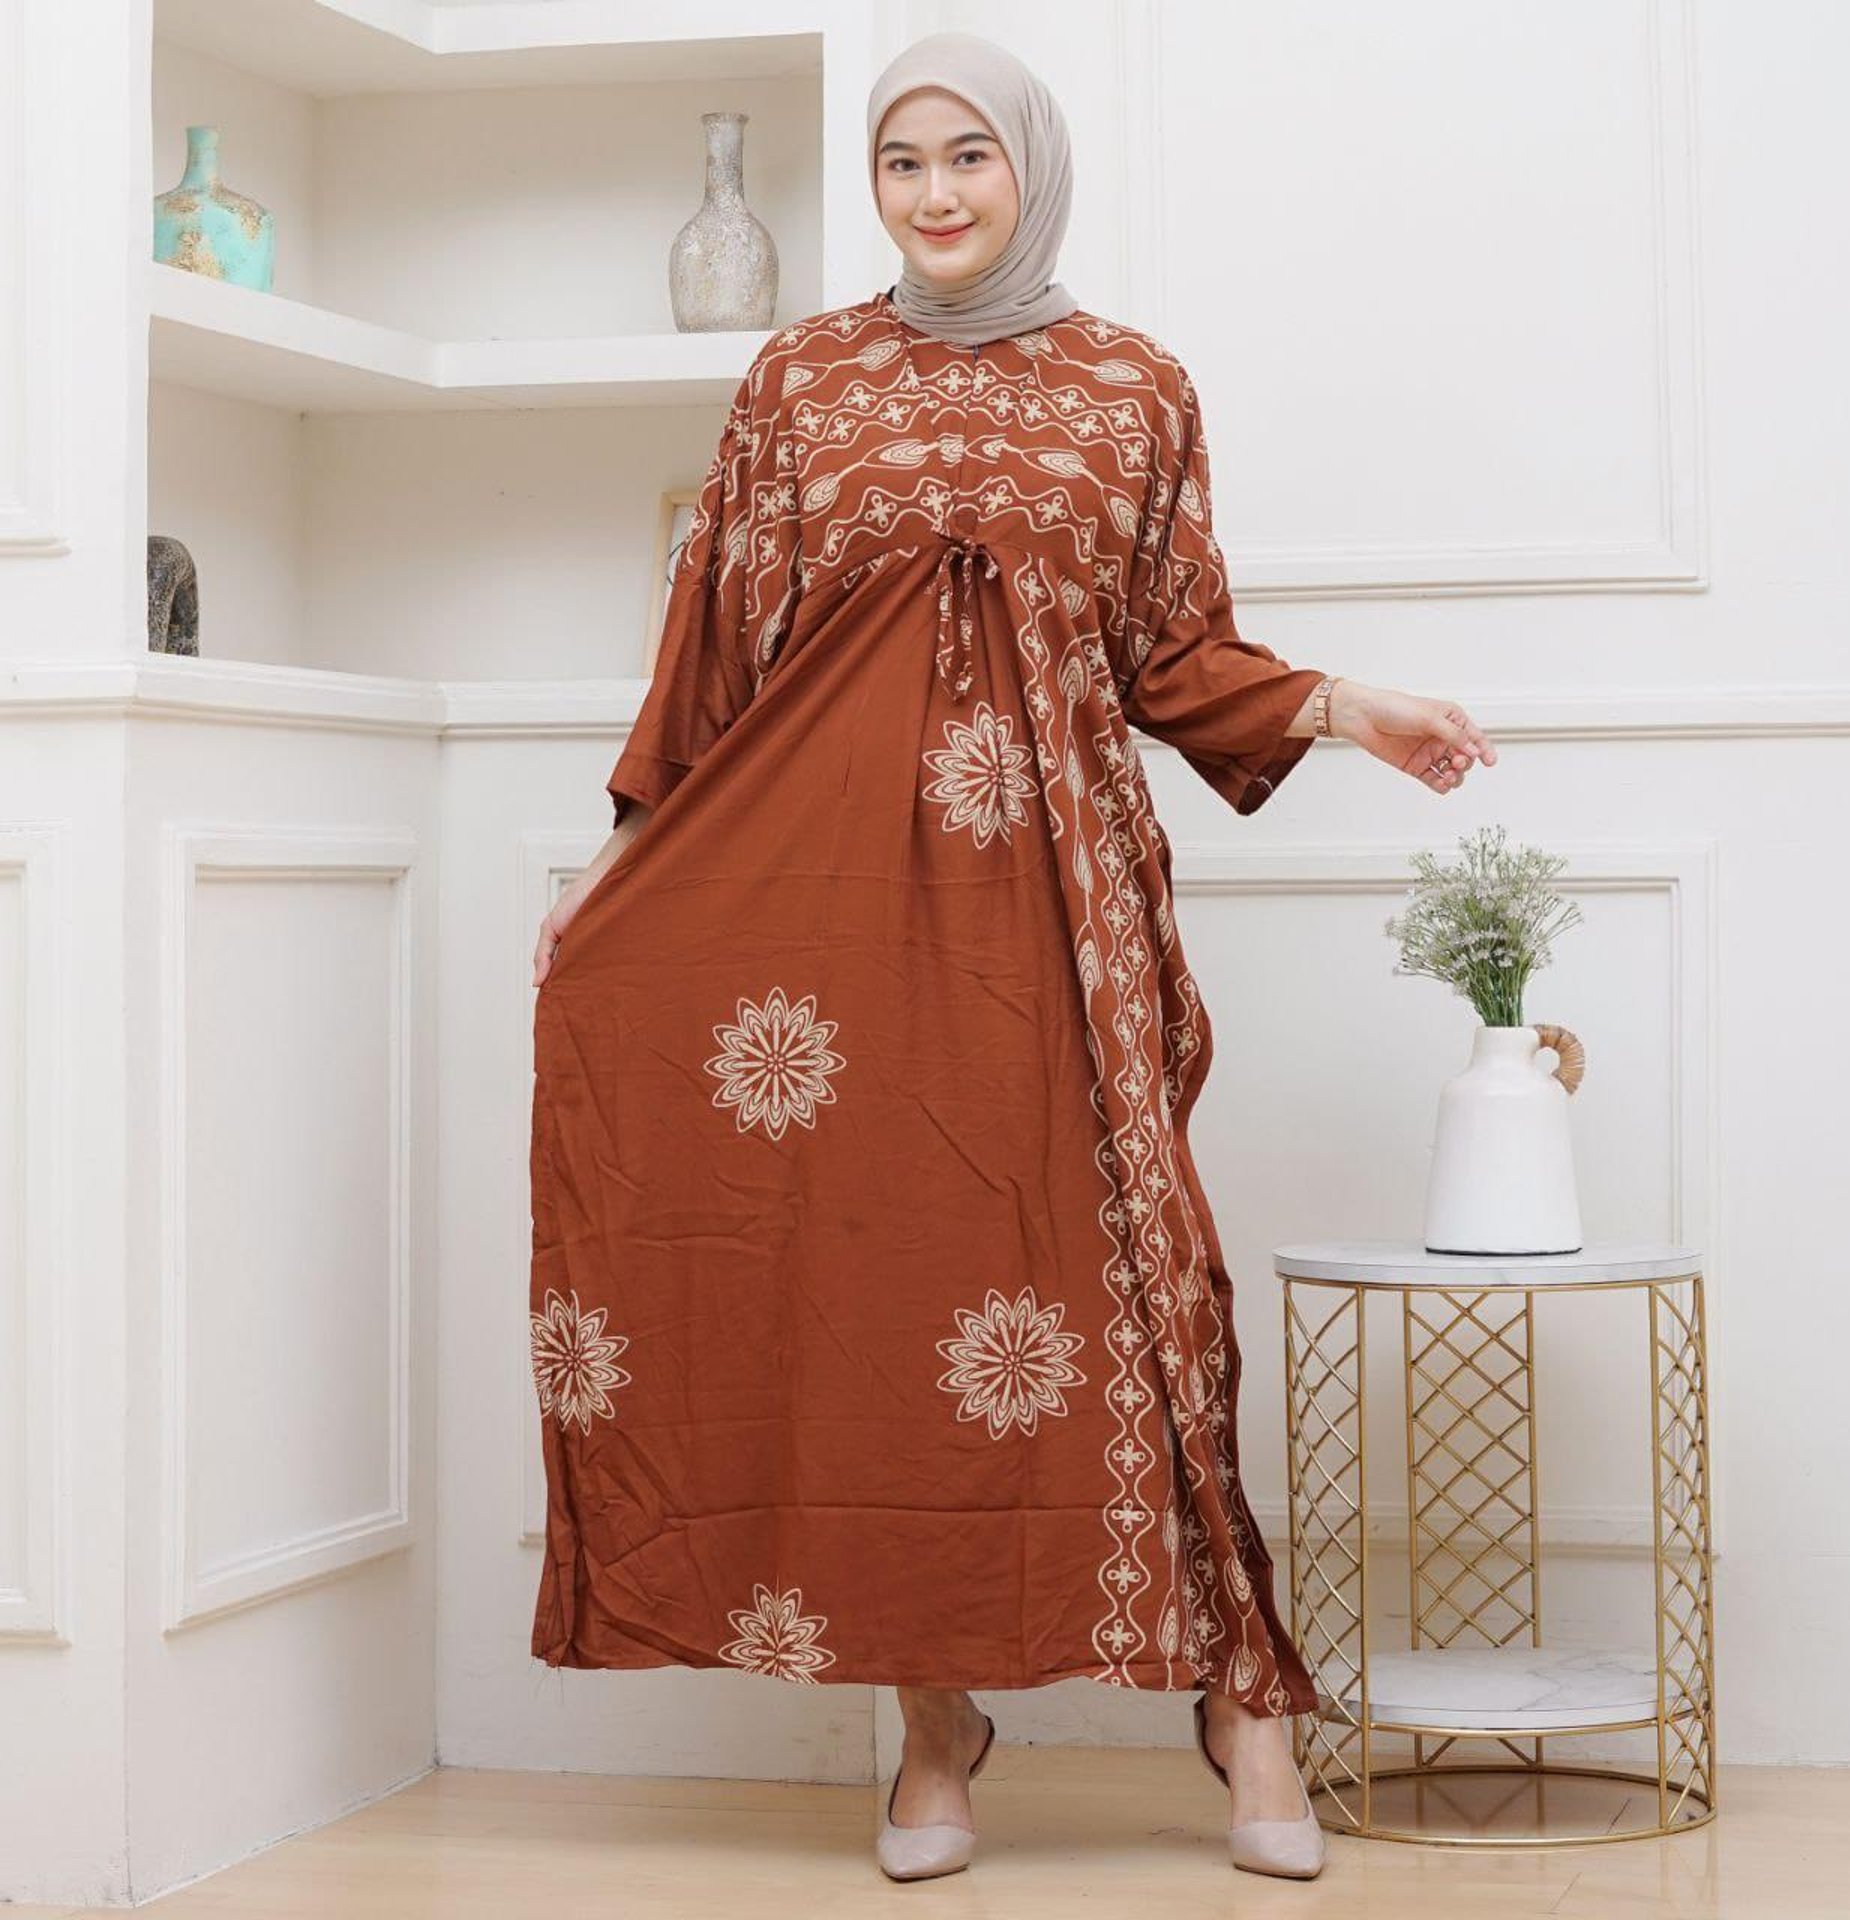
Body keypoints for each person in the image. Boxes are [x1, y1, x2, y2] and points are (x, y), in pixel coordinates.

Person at [526, 28, 1495, 1886]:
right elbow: (716, 646)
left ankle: (1242, 1694)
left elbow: (1173, 652)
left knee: (1137, 1280)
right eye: (903, 162)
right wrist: (622, 862)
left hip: (1060, 914)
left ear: (1030, 168)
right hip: (827, 921)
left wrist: (1347, 705)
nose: (937, 192)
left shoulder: (1134, 386)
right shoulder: (801, 381)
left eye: (969, 154)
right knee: (885, 1285)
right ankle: (933, 1724)